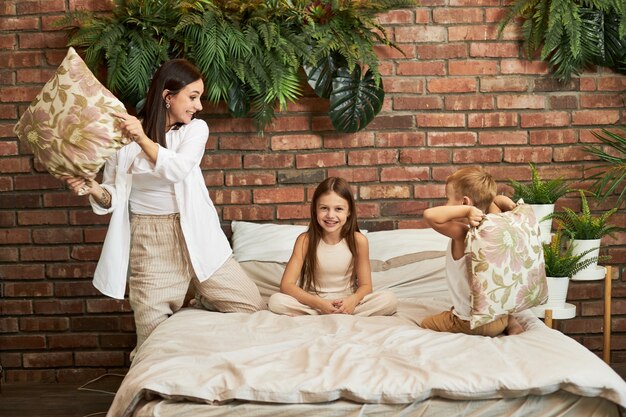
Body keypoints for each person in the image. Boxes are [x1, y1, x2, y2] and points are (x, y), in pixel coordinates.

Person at [63, 59, 264, 355]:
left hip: (197, 234)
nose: (199, 106)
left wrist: (141, 138)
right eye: (192, 97)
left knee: (250, 306)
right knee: (151, 341)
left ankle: (195, 309)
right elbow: (114, 196)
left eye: (199, 97)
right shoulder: (123, 141)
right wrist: (92, 187)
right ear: (168, 97)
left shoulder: (194, 131)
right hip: (151, 239)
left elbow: (178, 169)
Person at [269, 177, 397, 316]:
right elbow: (287, 285)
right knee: (276, 301)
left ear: (349, 212)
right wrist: (318, 303)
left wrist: (352, 301)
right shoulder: (305, 240)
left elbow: (366, 286)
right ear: (315, 210)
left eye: (338, 209)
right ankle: (328, 313)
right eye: (324, 208)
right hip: (314, 303)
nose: (330, 215)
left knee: (389, 300)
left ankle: (340, 312)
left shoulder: (359, 241)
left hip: (346, 301)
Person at [421, 166, 524, 336]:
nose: (446, 204)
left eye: (448, 199)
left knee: (426, 322)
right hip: (498, 316)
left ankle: (500, 323)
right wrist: (499, 198)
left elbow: (430, 215)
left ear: (465, 202)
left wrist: (466, 211)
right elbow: (494, 202)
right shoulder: (496, 226)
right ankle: (511, 323)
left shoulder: (464, 234)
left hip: (471, 323)